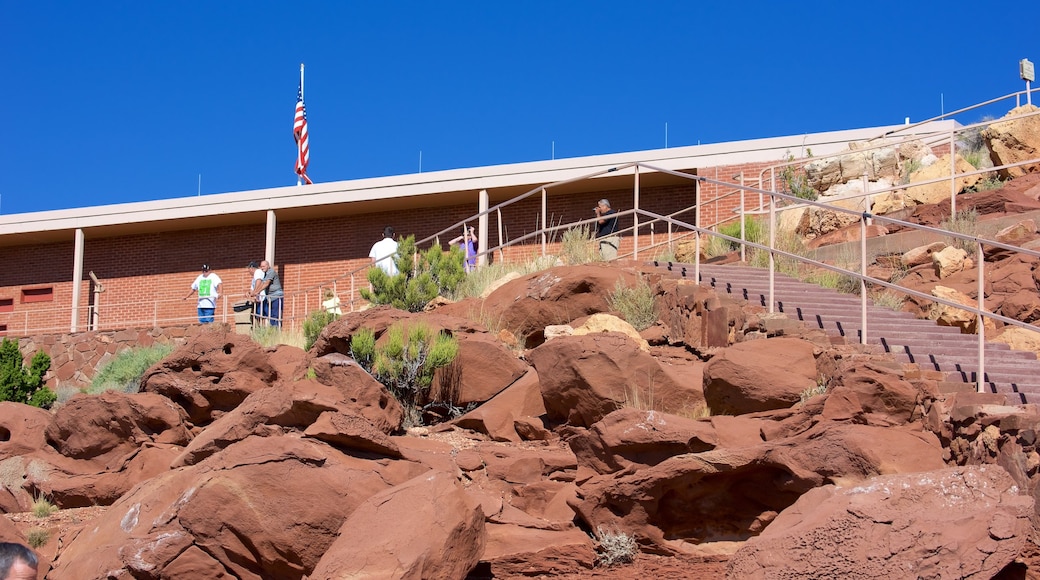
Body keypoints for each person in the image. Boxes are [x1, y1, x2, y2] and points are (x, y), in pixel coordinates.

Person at [251, 260, 284, 327]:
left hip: (276, 296)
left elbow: (266, 283)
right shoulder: (265, 274)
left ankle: (276, 331)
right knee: (271, 315)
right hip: (270, 298)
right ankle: (273, 330)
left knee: (275, 315)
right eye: (261, 266)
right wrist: (255, 292)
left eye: (264, 266)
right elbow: (262, 283)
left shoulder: (271, 272)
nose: (262, 268)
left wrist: (256, 292)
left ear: (268, 266)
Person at [248, 261, 266, 326]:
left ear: (252, 268)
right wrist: (249, 293)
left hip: (262, 298)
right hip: (258, 299)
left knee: (262, 315)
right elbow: (252, 288)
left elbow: (259, 282)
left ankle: (263, 329)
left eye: (249, 269)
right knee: (257, 315)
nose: (249, 271)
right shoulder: (254, 277)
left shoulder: (258, 272)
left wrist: (255, 293)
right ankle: (260, 328)